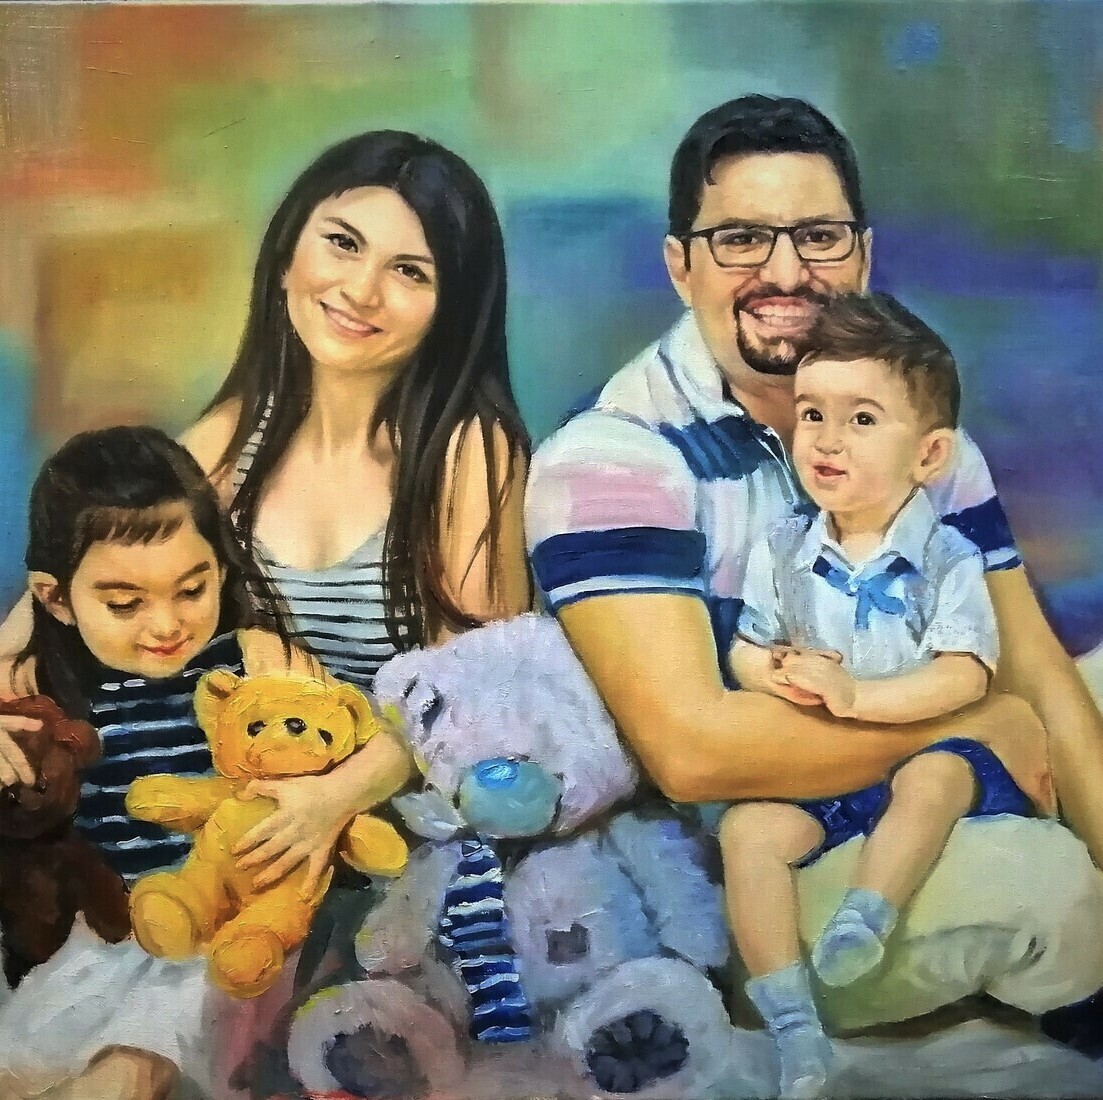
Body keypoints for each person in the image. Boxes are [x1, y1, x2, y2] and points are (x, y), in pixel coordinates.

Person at [525, 93, 1102, 857]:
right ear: (679, 266)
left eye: (819, 237)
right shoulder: (611, 457)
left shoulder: (913, 433)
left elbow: (1029, 663)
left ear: (862, 254)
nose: (785, 272)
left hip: (934, 803)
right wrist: (973, 723)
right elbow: (693, 754)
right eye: (740, 239)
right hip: (750, 860)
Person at [721, 293, 1038, 1098]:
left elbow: (964, 675)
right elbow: (745, 646)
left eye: (860, 420)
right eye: (811, 414)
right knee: (748, 830)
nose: (825, 440)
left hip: (921, 752)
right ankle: (792, 1023)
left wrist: (855, 697)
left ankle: (866, 914)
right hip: (824, 773)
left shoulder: (946, 557)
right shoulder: (781, 549)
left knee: (934, 777)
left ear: (927, 455)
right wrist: (769, 672)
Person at [0, 426, 334, 1099]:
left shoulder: (256, 662)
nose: (166, 625)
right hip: (102, 933)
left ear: (220, 571)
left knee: (135, 1063)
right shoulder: (37, 682)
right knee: (27, 1062)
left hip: (226, 931)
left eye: (191, 590)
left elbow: (339, 745)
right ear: (56, 598)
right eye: (125, 604)